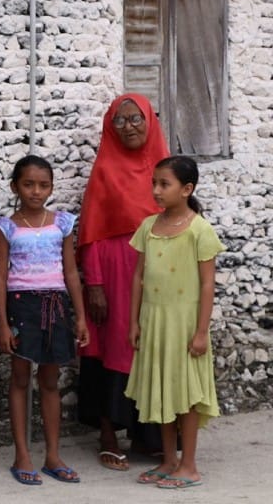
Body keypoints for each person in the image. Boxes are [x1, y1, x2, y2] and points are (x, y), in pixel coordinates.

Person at [76, 94, 169, 470]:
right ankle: (108, 433)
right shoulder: (105, 170)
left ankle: (147, 437)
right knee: (111, 348)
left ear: (150, 122)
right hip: (114, 274)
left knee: (151, 348)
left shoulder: (164, 168)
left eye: (136, 119)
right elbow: (92, 232)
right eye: (120, 120)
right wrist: (94, 284)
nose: (129, 127)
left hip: (158, 273)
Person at [0, 155, 89, 485]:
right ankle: (22, 455)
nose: (36, 191)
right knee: (19, 379)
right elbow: (1, 277)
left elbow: (71, 273)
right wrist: (3, 324)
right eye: (28, 184)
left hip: (56, 306)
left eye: (43, 185)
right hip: (21, 308)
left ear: (51, 188)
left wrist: (80, 318)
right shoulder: (7, 227)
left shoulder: (62, 223)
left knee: (50, 382)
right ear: (15, 186)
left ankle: (53, 455)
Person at [126, 156, 222, 490]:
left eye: (164, 184)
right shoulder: (148, 227)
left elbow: (208, 284)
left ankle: (189, 465)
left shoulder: (199, 229)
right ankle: (168, 460)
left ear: (187, 189)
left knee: (186, 393)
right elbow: (138, 277)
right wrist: (134, 322)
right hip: (155, 322)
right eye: (154, 183)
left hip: (184, 325)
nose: (156, 190)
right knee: (163, 390)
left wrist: (200, 331)